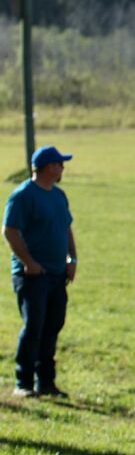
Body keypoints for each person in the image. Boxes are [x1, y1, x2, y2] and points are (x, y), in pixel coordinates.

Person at [2, 145, 77, 398]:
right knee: (34, 325)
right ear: (47, 168)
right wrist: (28, 262)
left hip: (57, 273)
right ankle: (23, 382)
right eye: (59, 164)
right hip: (32, 276)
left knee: (53, 325)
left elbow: (67, 228)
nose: (63, 168)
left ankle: (46, 382)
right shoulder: (23, 196)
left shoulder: (59, 196)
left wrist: (72, 258)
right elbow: (10, 230)